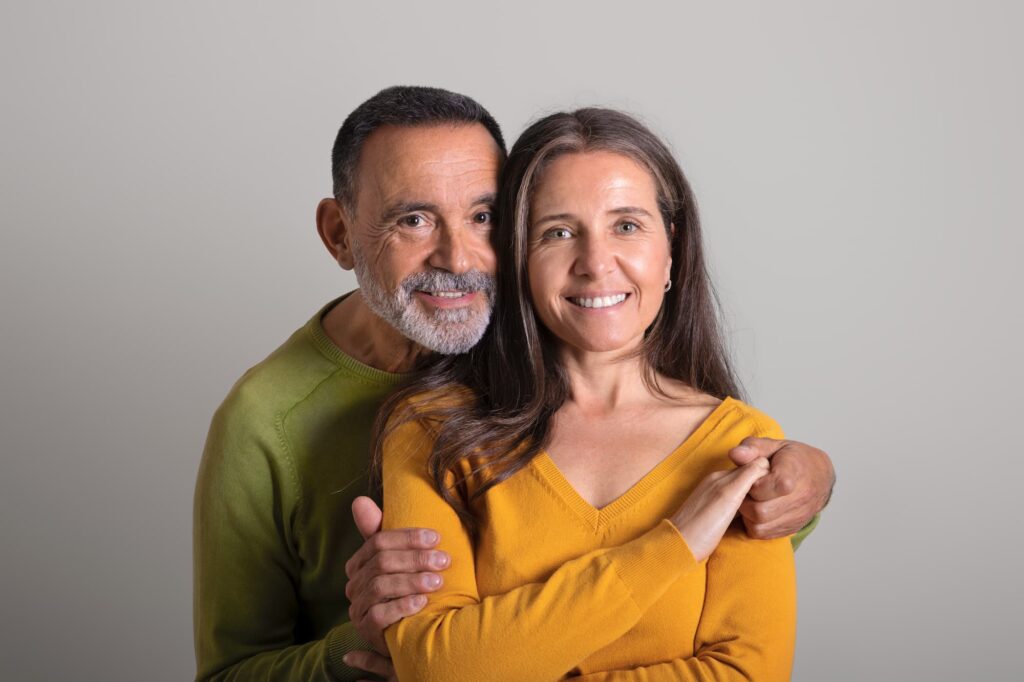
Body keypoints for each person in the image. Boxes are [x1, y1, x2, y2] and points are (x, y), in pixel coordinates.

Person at [194, 87, 834, 681]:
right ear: (340, 234)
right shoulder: (291, 418)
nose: (458, 258)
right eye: (412, 220)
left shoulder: (713, 422)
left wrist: (805, 479)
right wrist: (365, 648)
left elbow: (738, 594)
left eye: (483, 216)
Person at [376, 108, 799, 680]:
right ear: (519, 257)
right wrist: (674, 545)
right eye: (558, 232)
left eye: (626, 226)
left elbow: (752, 674)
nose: (596, 264)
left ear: (670, 250)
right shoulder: (430, 429)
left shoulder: (743, 444)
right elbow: (438, 670)